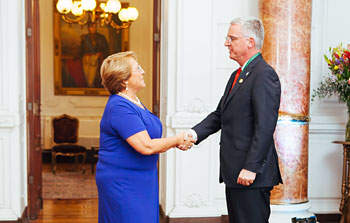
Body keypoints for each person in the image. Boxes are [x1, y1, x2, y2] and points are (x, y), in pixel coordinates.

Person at [184, 17, 282, 223]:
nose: (226, 43)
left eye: (232, 38)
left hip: (250, 175)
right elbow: (220, 114)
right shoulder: (237, 75)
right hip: (236, 172)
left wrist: (251, 167)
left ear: (250, 42)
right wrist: (192, 134)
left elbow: (265, 127)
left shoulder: (264, 75)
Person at [95, 51, 193, 223]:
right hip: (123, 182)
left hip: (142, 179)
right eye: (138, 68)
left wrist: (172, 143)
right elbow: (146, 146)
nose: (143, 72)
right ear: (124, 79)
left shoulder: (133, 101)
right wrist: (177, 140)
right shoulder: (119, 107)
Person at [79, 22, 109, 88]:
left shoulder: (101, 37)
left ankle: (90, 85)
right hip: (86, 58)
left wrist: (99, 54)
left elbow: (106, 48)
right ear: (89, 28)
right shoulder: (85, 37)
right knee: (86, 73)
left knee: (92, 74)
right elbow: (81, 48)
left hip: (95, 57)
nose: (93, 29)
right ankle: (88, 86)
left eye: (95, 27)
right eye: (92, 27)